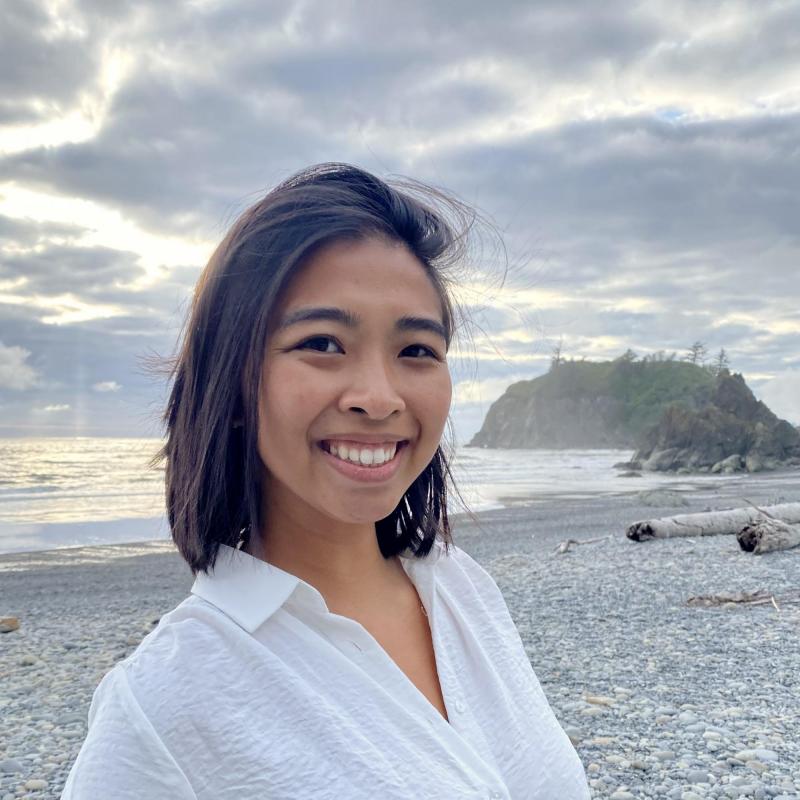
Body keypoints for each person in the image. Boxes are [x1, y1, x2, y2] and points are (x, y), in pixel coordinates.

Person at [61, 164, 590, 799]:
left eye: (416, 350)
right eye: (323, 342)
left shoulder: (462, 590)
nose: (377, 396)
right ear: (232, 380)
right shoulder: (161, 708)